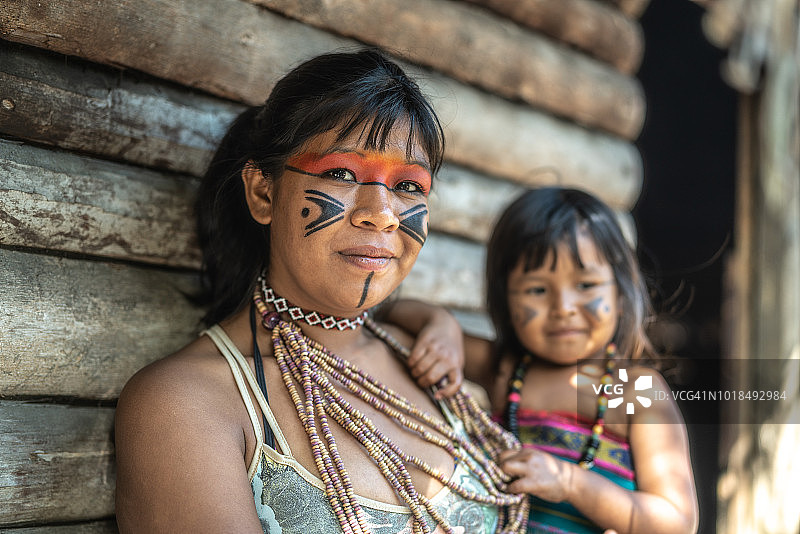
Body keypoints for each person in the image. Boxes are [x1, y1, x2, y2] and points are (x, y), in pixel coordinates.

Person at [114, 49, 531, 534]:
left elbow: (589, 391)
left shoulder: (432, 361)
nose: (382, 214)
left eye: (408, 185)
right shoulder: (184, 403)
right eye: (341, 174)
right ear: (263, 192)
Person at [391, 187, 699, 534]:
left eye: (586, 285)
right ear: (506, 299)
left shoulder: (636, 390)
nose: (563, 308)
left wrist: (569, 482)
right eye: (537, 290)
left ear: (621, 293)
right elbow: (392, 311)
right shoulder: (504, 369)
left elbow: (677, 522)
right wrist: (441, 325)